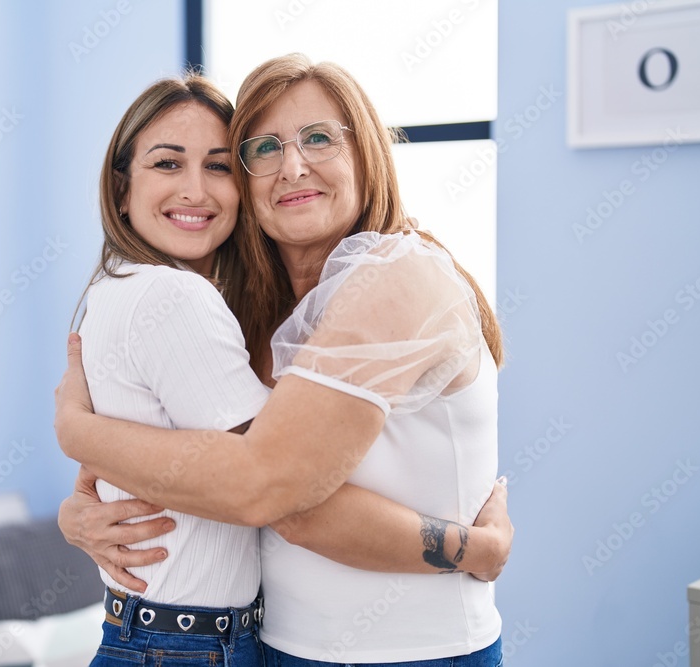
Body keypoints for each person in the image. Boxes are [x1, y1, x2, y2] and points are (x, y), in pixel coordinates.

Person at [65, 58, 511, 667]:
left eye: (320, 138)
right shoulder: (254, 308)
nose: (292, 165)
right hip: (273, 645)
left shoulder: (394, 276)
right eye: (263, 148)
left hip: (408, 655)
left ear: (367, 157)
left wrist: (80, 431)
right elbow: (193, 454)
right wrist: (83, 508)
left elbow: (270, 491)